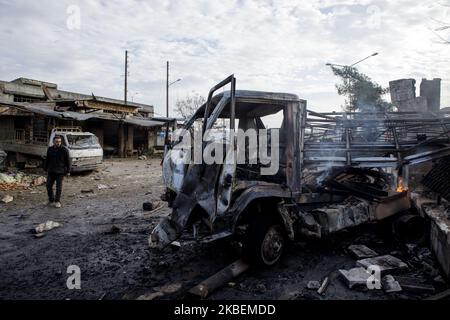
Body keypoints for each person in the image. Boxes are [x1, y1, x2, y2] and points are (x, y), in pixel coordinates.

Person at [44, 135, 71, 208]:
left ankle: (57, 201)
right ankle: (51, 200)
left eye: (59, 142)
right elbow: (47, 159)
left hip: (60, 172)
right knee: (48, 186)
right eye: (56, 142)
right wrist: (45, 168)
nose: (58, 143)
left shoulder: (64, 150)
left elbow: (68, 161)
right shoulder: (50, 149)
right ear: (53, 142)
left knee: (58, 187)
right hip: (51, 171)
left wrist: (68, 171)